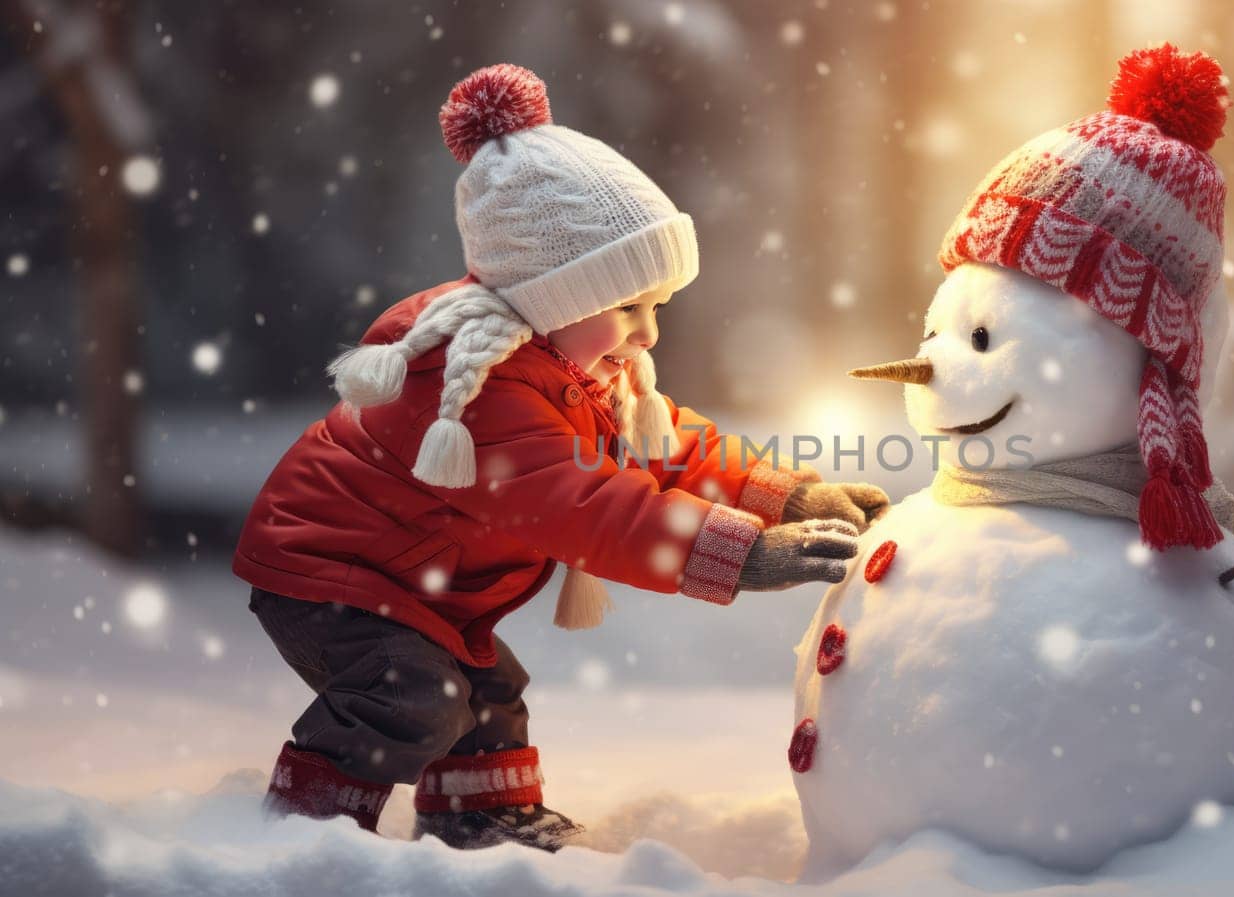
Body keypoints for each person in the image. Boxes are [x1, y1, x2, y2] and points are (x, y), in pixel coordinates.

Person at [233, 63, 888, 852]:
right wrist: (738, 552)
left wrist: (783, 498)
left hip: (416, 581)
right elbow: (584, 503)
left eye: (657, 308)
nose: (648, 335)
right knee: (412, 696)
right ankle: (309, 831)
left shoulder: (576, 366)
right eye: (628, 309)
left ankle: (479, 812)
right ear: (552, 297)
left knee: (488, 692)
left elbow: (665, 446)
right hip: (330, 575)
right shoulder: (472, 385)